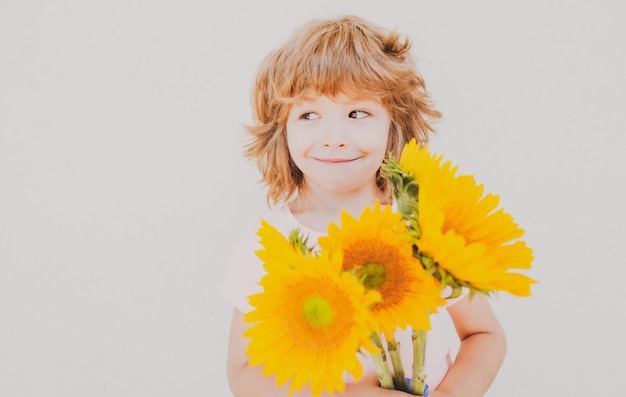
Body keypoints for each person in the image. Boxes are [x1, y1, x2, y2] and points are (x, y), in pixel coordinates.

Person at [220, 14, 506, 397]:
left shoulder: (422, 226)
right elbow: (243, 372)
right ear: (280, 131)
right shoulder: (270, 240)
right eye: (309, 114)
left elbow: (483, 334)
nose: (334, 137)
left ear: (394, 124)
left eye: (357, 113)